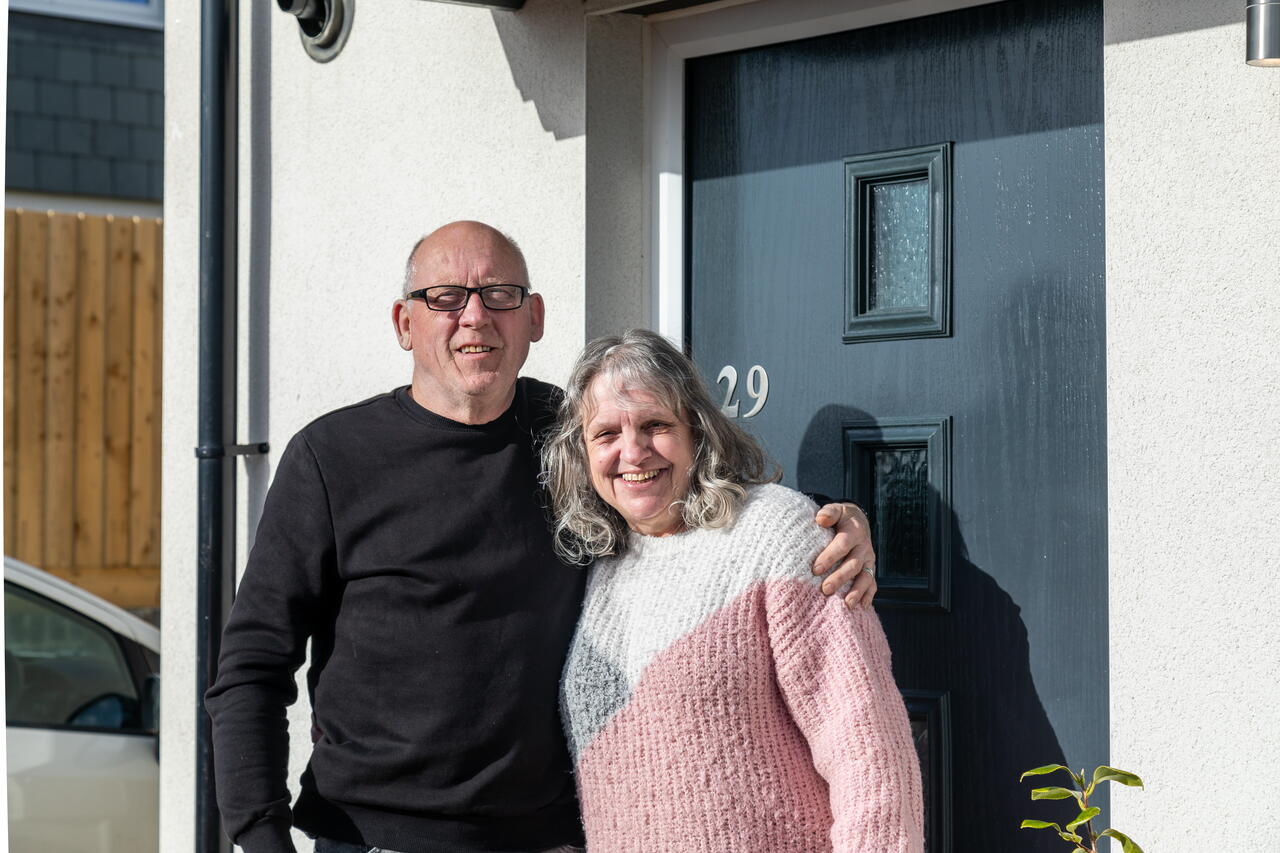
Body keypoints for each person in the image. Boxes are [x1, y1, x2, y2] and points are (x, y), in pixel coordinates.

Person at [205, 221, 879, 853]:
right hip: (376, 836)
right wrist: (260, 832)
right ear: (404, 322)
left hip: (547, 836)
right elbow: (253, 666)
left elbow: (694, 496)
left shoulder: (577, 435)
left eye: (500, 294)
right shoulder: (332, 458)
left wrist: (828, 520)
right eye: (445, 297)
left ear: (534, 317)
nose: (475, 315)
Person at [545, 328, 923, 852]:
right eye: (605, 434)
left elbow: (866, 749)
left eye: (656, 424)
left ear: (697, 431)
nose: (632, 452)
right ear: (582, 453)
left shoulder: (777, 534)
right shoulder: (594, 564)